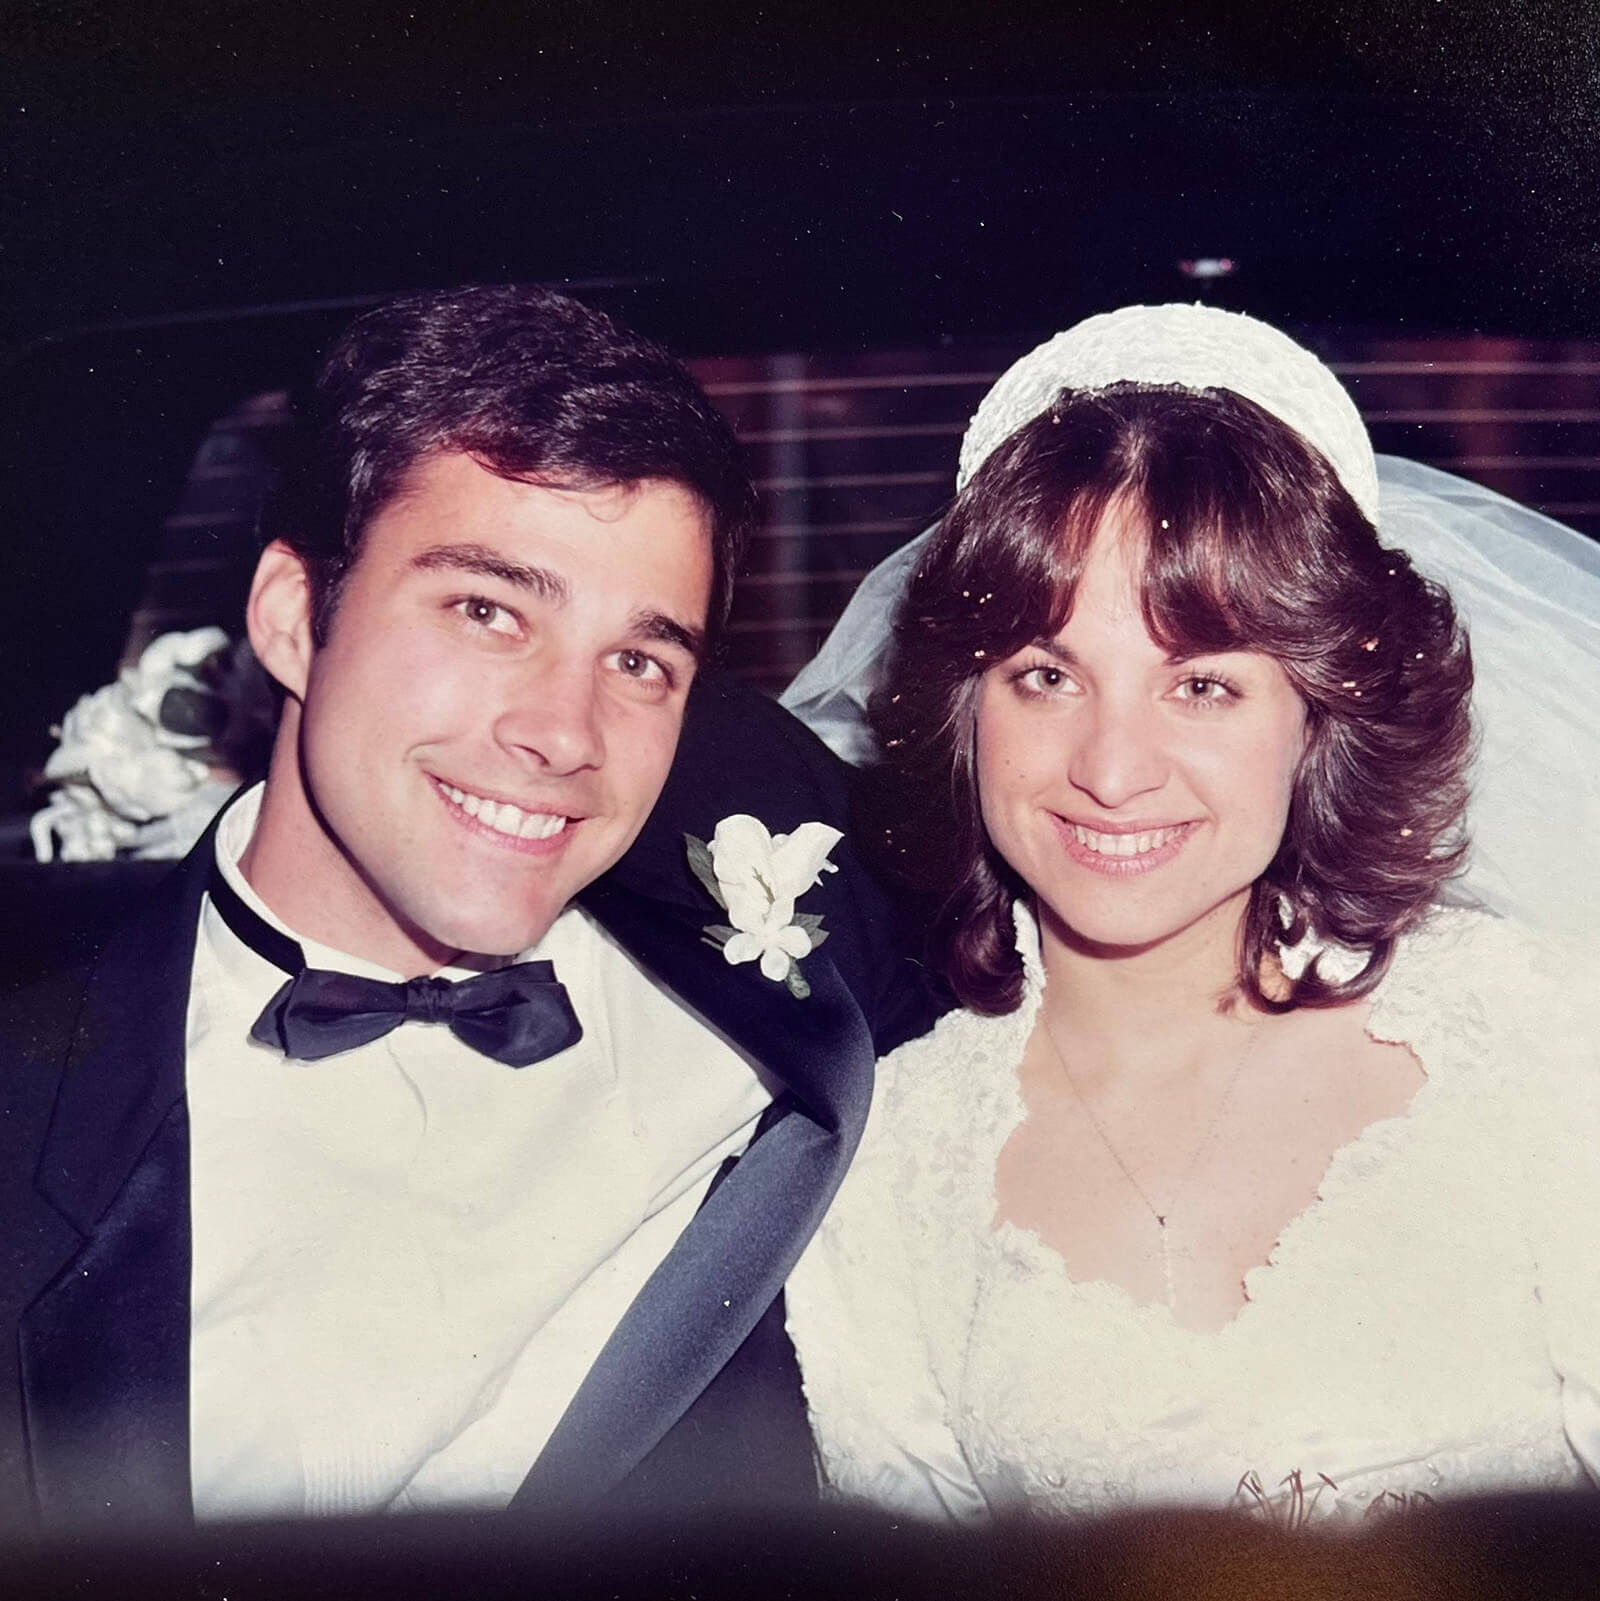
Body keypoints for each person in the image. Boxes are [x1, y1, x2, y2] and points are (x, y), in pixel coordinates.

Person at [0, 285, 938, 1533]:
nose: (563, 733)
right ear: (293, 615)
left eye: (640, 660)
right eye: (487, 610)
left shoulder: (775, 998)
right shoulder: (33, 1096)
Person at [783, 304, 1600, 1523]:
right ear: (964, 707)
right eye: (1046, 676)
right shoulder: (890, 1157)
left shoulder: (1535, 1042)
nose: (1113, 768)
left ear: (1316, 717)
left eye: (1202, 684)